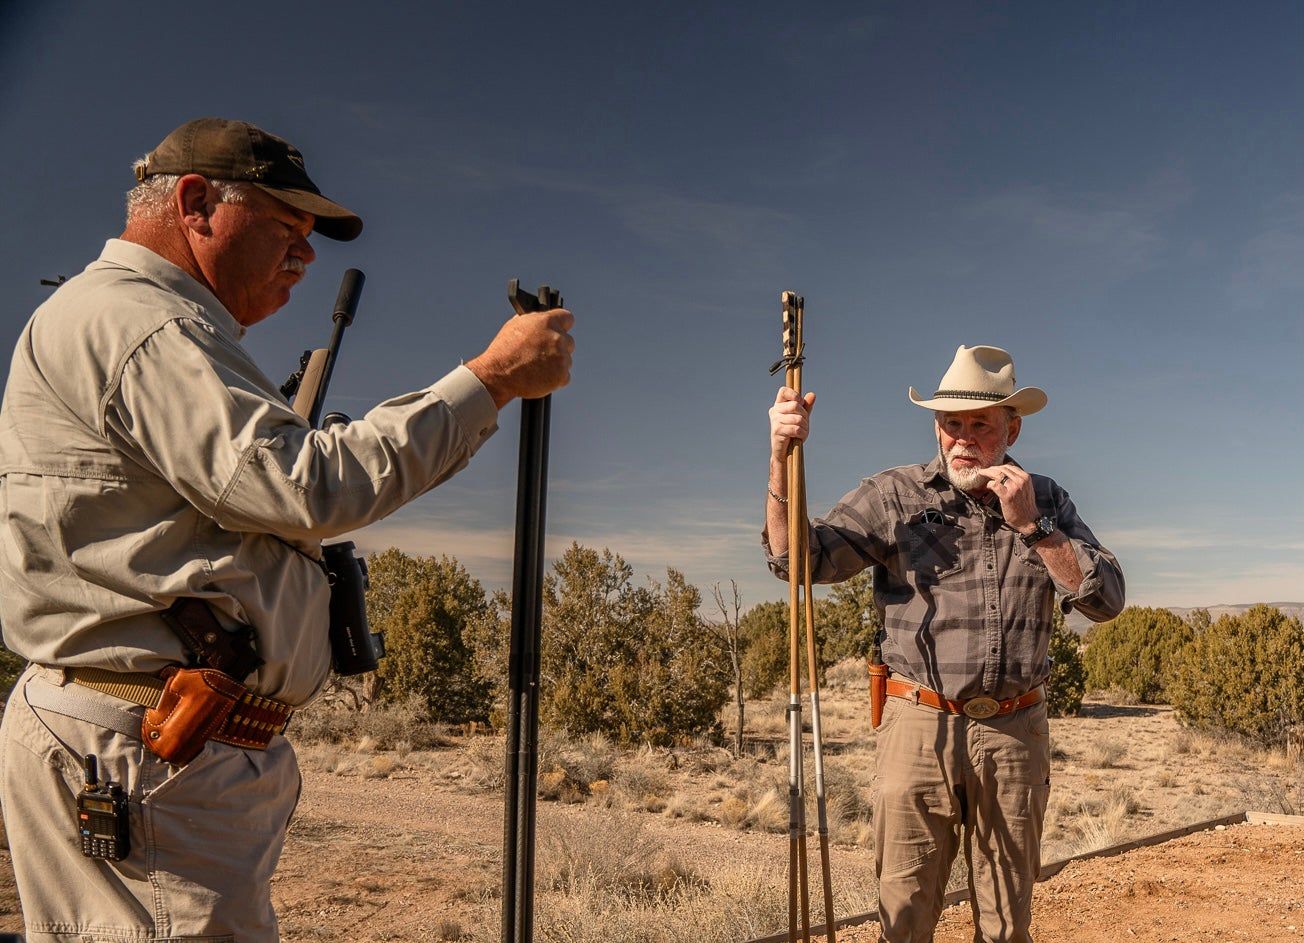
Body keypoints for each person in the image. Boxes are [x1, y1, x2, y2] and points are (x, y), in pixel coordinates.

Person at [0, 117, 574, 942]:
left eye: (312, 237)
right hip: (148, 748)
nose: (306, 256)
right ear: (195, 203)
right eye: (287, 227)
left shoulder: (145, 324)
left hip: (164, 748)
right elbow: (306, 484)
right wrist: (489, 382)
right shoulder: (145, 322)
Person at [764, 344, 1124, 943]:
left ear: (1012, 427)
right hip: (918, 726)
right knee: (904, 919)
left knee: (1007, 925)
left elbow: (1105, 600)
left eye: (979, 424)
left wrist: (1033, 526)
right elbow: (798, 560)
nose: (961, 439)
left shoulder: (1048, 500)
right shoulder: (895, 495)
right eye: (949, 424)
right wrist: (780, 457)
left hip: (1014, 733)